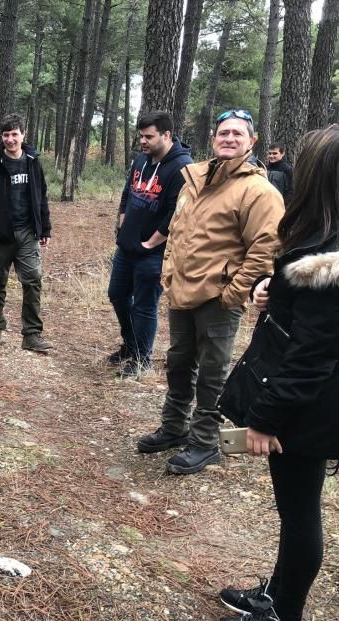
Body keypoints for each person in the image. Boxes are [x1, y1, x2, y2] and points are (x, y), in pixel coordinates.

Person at [215, 125, 339, 621]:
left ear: (316, 177)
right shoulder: (323, 245)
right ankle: (278, 592)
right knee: (296, 510)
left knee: (300, 514)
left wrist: (266, 419)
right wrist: (278, 290)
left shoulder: (332, 264)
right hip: (313, 406)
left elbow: (312, 360)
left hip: (309, 413)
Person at [136, 108, 283, 475]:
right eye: (223, 133)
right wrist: (168, 273)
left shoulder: (258, 191)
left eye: (237, 133)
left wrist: (233, 293)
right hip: (182, 291)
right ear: (213, 139)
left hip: (218, 300)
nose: (229, 139)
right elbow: (176, 230)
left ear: (252, 141)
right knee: (179, 362)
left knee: (212, 372)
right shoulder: (196, 179)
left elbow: (265, 249)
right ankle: (173, 427)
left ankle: (204, 442)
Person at [107, 112, 192, 378]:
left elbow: (175, 214)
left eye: (149, 137)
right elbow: (127, 194)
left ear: (166, 135)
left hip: (153, 253)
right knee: (117, 295)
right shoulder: (141, 160)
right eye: (141, 136)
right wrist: (123, 224)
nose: (143, 141)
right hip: (127, 247)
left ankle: (142, 358)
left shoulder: (182, 167)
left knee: (144, 305)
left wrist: (149, 243)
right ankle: (131, 346)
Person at [0, 113, 53, 353]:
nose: (10, 139)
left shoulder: (32, 161)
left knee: (32, 280)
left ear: (23, 134)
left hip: (28, 232)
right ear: (1, 137)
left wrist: (44, 227)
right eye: (6, 135)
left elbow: (41, 197)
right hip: (0, 236)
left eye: (15, 134)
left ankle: (32, 334)